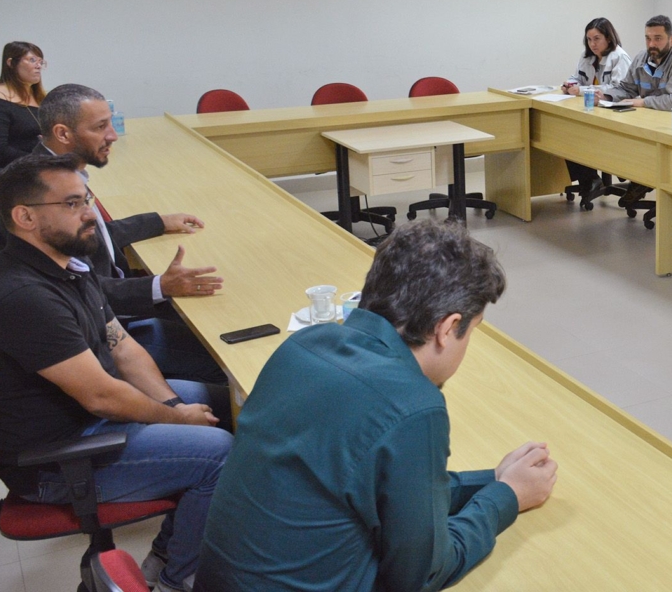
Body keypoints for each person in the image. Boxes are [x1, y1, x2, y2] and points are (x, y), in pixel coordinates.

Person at [196, 220, 558, 592]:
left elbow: (390, 497)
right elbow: (422, 574)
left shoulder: (303, 345)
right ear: (448, 329)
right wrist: (506, 498)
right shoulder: (413, 406)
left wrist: (493, 479)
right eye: (473, 329)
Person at [0, 154, 233, 592]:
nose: (90, 216)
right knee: (222, 452)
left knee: (226, 404)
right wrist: (177, 419)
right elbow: (100, 396)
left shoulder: (68, 266)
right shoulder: (22, 296)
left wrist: (173, 404)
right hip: (62, 457)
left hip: (94, 420)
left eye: (88, 200)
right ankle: (180, 580)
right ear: (24, 217)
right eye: (74, 204)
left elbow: (122, 347)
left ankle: (168, 555)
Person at [28, 83, 227, 384]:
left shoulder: (57, 173)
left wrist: (158, 221)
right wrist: (160, 285)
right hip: (106, 331)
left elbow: (94, 234)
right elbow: (78, 293)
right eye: (100, 127)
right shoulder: (42, 197)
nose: (113, 135)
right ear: (63, 134)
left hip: (113, 308)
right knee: (221, 351)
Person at [605, 15, 672, 206]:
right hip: (653, 120)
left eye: (658, 38)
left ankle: (644, 178)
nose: (652, 44)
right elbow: (627, 88)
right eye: (648, 38)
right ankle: (640, 176)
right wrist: (607, 96)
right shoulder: (642, 58)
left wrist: (642, 102)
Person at [562, 18, 633, 205]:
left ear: (608, 38)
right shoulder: (586, 57)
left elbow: (619, 89)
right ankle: (589, 179)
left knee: (579, 135)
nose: (592, 44)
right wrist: (570, 85)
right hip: (590, 110)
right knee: (564, 132)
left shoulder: (619, 57)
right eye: (589, 39)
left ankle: (590, 179)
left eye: (597, 38)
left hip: (614, 112)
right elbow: (576, 77)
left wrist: (583, 90)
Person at [0, 41, 47, 199]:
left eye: (41, 61)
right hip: (5, 174)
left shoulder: (37, 97)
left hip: (35, 168)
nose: (38, 66)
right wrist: (39, 160)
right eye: (32, 60)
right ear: (11, 63)